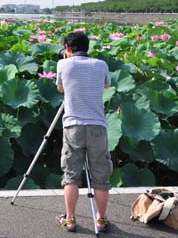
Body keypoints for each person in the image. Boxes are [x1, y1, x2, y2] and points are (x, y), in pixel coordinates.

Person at [56, 31, 112, 233]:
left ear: (68, 49)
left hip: (73, 126)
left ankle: (70, 219)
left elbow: (61, 89)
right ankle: (101, 219)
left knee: (71, 175)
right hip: (98, 126)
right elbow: (106, 85)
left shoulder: (63, 64)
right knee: (101, 176)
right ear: (87, 47)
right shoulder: (101, 65)